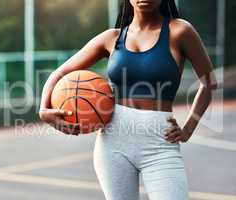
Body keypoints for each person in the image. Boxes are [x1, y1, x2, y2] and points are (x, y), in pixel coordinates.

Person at [39, 0, 218, 199]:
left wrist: (187, 130)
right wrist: (43, 110)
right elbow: (60, 72)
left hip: (160, 144)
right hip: (113, 145)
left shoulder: (180, 31)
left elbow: (209, 83)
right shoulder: (112, 38)